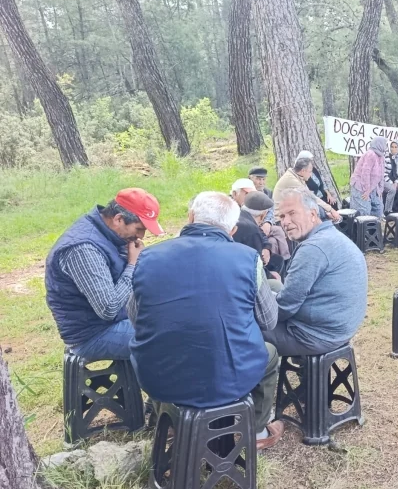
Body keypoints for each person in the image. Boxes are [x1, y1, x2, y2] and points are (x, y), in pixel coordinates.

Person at [128, 192, 284, 450]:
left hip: (159, 375)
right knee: (270, 354)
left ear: (191, 217)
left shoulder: (148, 257)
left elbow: (134, 317)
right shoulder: (247, 258)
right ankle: (255, 432)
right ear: (232, 230)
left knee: (158, 352)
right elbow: (268, 320)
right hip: (228, 376)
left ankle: (172, 426)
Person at [44, 188, 163, 361]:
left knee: (180, 324)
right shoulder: (83, 248)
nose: (141, 236)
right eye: (139, 228)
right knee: (171, 340)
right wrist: (132, 264)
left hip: (118, 318)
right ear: (118, 219)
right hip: (93, 333)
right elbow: (109, 309)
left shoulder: (111, 235)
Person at [264, 188, 368, 357]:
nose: (286, 222)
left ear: (312, 214)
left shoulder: (313, 248)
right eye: (282, 217)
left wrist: (260, 304)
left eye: (292, 213)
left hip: (316, 336)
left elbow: (284, 308)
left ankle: (256, 380)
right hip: (340, 328)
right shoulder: (332, 235)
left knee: (242, 328)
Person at [274, 157, 342, 222]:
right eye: (310, 172)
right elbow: (311, 197)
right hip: (281, 218)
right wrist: (331, 210)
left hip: (289, 211)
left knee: (318, 211)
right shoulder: (291, 180)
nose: (310, 175)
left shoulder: (297, 176)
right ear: (303, 171)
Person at [349, 137, 387, 219]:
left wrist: (380, 190)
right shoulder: (370, 154)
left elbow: (381, 174)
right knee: (364, 210)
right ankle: (362, 230)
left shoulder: (381, 156)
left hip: (373, 187)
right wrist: (366, 190)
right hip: (361, 185)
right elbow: (365, 173)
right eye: (385, 144)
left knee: (378, 208)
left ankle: (374, 229)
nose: (386, 146)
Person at [383, 141, 398, 214]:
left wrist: (396, 181)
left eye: (396, 147)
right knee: (392, 189)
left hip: (397, 179)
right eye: (392, 147)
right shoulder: (385, 157)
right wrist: (391, 182)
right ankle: (387, 210)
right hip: (387, 179)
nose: (393, 149)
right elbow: (383, 173)